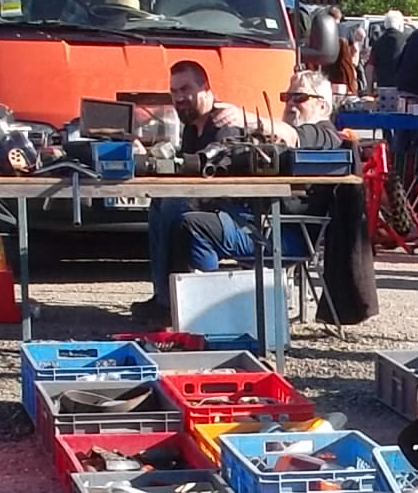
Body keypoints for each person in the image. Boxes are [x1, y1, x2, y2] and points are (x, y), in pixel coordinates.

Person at [132, 58, 310, 322]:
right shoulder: (193, 126)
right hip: (213, 204)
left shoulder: (225, 123)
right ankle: (164, 296)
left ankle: (177, 304)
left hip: (244, 215)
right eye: (174, 92)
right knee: (161, 201)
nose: (179, 98)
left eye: (185, 89)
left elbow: (212, 171)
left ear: (206, 88)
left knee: (173, 204)